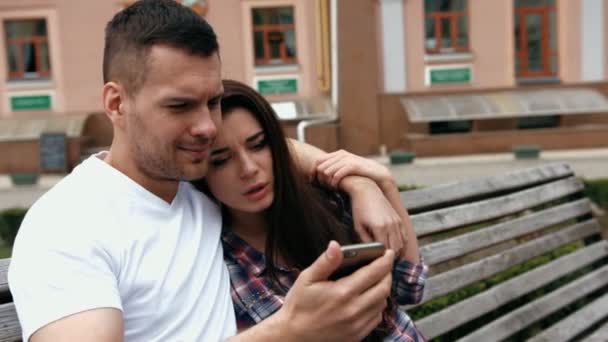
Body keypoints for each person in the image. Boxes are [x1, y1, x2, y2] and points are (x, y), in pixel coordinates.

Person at [8, 1, 406, 341]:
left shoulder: (196, 183)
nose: (207, 128)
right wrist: (288, 331)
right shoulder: (66, 225)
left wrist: (362, 183)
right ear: (116, 104)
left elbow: (271, 150)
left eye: (212, 102)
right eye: (180, 106)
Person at [193, 80, 427, 341]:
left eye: (258, 144)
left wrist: (383, 185)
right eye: (222, 160)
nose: (248, 168)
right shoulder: (223, 267)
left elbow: (409, 286)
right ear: (200, 172)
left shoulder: (323, 204)